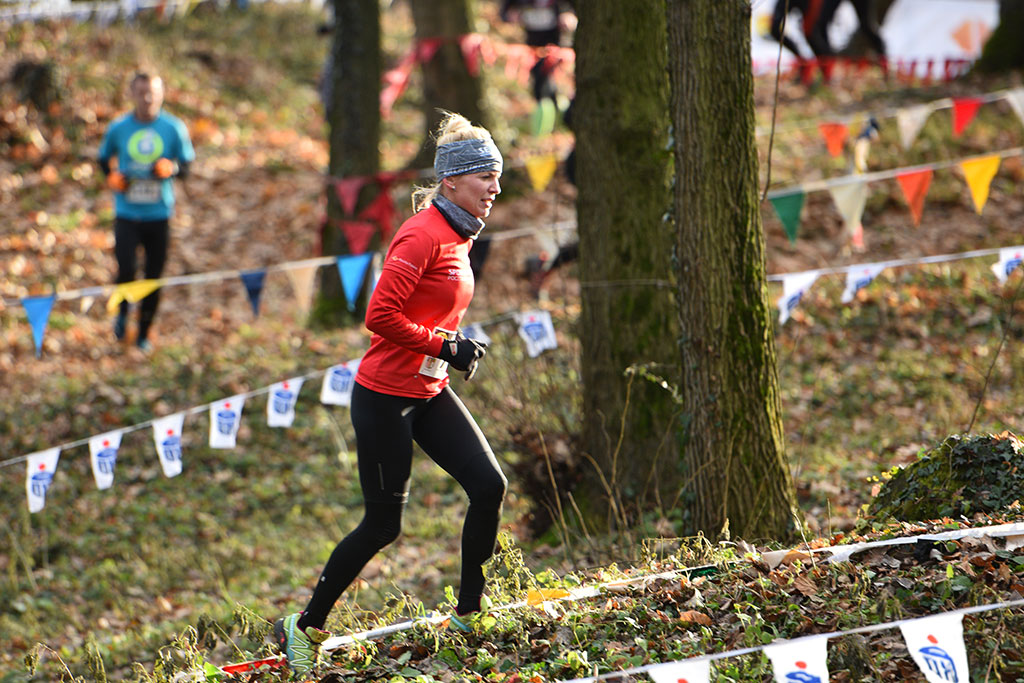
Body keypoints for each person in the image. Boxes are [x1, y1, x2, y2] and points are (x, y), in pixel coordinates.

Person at [273, 112, 508, 675]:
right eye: (486, 178)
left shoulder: (460, 234)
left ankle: (468, 616)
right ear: (452, 181)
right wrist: (444, 344)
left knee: (489, 486)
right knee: (383, 525)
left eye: (497, 178)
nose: (495, 189)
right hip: (384, 397)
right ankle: (304, 627)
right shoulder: (422, 234)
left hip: (428, 389)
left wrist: (453, 345)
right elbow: (379, 315)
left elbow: (433, 312)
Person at [98, 71, 194, 352]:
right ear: (132, 94)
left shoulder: (173, 128)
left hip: (159, 214)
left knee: (153, 276)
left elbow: (187, 165)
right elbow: (103, 159)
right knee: (126, 269)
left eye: (153, 93)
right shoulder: (119, 128)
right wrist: (112, 177)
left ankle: (143, 332)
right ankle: (122, 316)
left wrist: (171, 168)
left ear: (162, 95)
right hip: (126, 213)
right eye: (141, 93)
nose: (148, 98)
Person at [500, 0, 576, 105]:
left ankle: (562, 105)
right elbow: (504, 13)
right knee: (539, 85)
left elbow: (576, 10)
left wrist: (569, 17)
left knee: (557, 82)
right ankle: (545, 106)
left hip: (559, 48)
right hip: (533, 49)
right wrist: (511, 15)